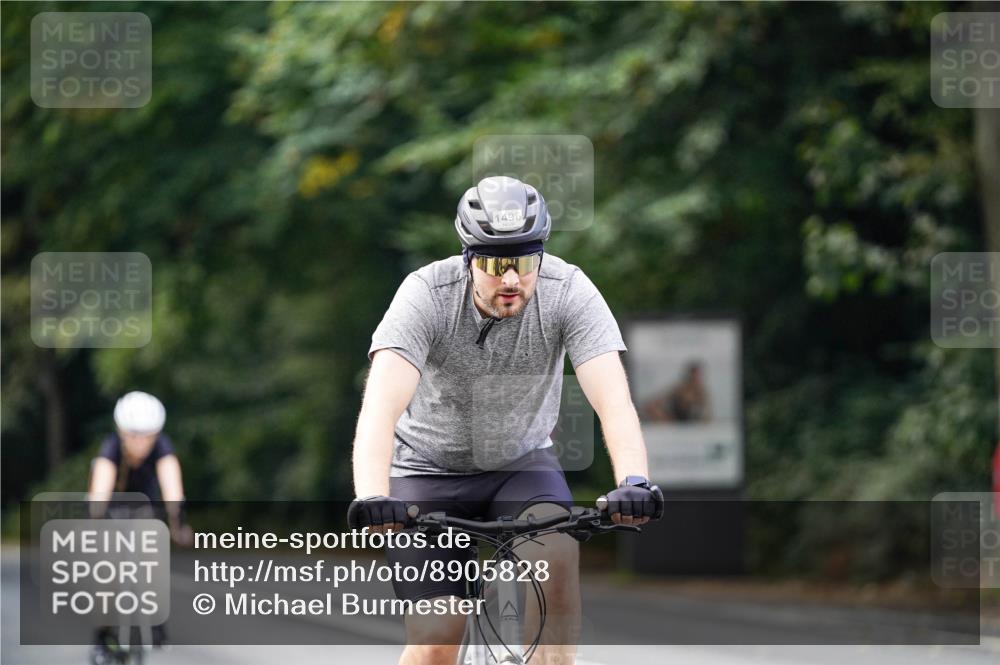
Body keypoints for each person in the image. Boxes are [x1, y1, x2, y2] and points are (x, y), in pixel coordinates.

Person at [348, 175, 664, 665]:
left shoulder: (568, 291)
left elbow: (614, 402)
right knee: (437, 635)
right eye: (496, 265)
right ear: (469, 259)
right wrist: (372, 496)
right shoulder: (426, 294)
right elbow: (380, 408)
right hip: (426, 470)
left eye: (525, 262)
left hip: (522, 465)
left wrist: (635, 482)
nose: (512, 279)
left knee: (556, 556)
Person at [87, 391, 191, 663]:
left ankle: (155, 618)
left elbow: (172, 487)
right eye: (134, 435)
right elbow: (99, 491)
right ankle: (102, 636)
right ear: (122, 432)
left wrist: (177, 523)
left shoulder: (162, 447)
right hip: (113, 510)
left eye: (148, 436)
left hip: (146, 508)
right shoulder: (111, 447)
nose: (141, 442)